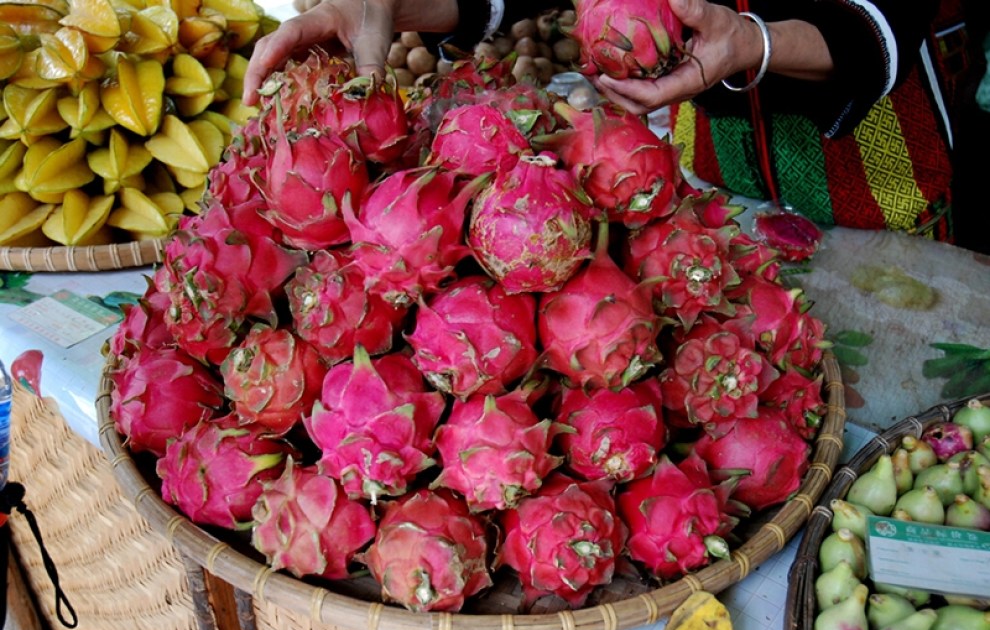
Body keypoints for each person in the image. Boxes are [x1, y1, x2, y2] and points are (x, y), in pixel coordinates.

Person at [243, 0, 987, 252]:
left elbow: (882, 22)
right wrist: (376, 12)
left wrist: (752, 39)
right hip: (718, 177)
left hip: (879, 180)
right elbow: (501, 1)